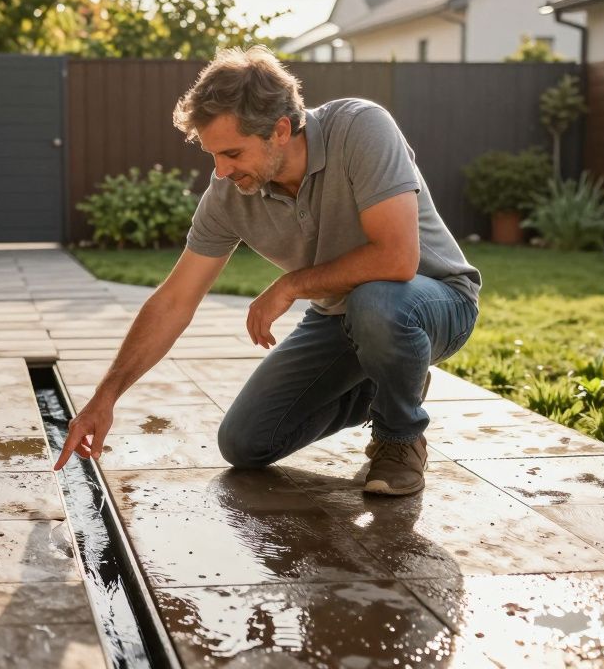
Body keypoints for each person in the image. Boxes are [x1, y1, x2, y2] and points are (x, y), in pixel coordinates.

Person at [53, 46, 481, 495]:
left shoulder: (360, 128)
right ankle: (389, 383)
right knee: (245, 442)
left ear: (279, 130)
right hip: (341, 316)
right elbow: (175, 300)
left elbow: (396, 259)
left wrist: (292, 284)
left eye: (232, 153)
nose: (220, 171)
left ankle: (400, 438)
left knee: (377, 303)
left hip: (433, 301)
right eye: (212, 154)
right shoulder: (228, 194)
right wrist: (106, 397)